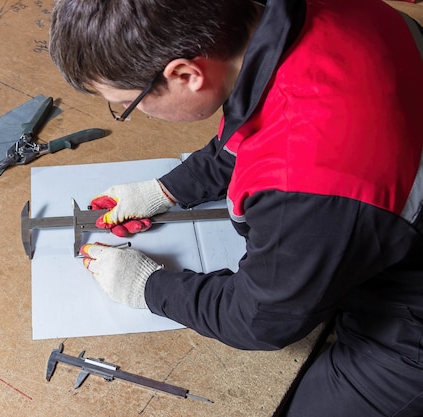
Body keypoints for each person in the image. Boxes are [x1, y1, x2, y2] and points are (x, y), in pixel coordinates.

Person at [49, 0, 423, 415]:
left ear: (186, 74)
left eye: (126, 104)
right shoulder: (301, 18)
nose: (126, 113)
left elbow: (261, 320)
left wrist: (148, 287)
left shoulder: (309, 186)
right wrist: (168, 189)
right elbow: (261, 117)